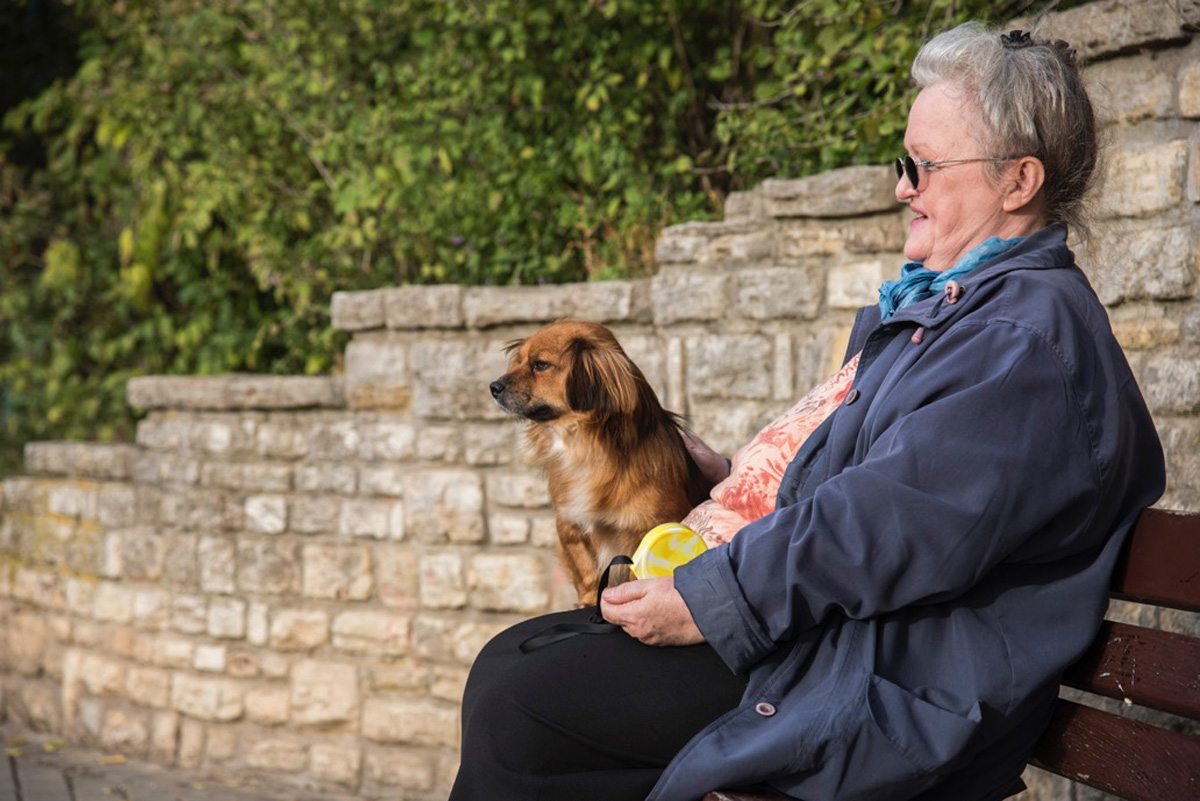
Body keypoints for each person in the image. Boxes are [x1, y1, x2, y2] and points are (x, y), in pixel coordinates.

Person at [449, 22, 1165, 801]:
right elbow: (884, 482)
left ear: (1017, 181)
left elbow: (885, 518)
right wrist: (730, 477)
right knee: (510, 665)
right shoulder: (965, 315)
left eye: (923, 166)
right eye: (906, 164)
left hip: (888, 681)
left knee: (522, 711)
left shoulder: (1022, 344)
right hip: (845, 638)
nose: (903, 187)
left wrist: (709, 598)